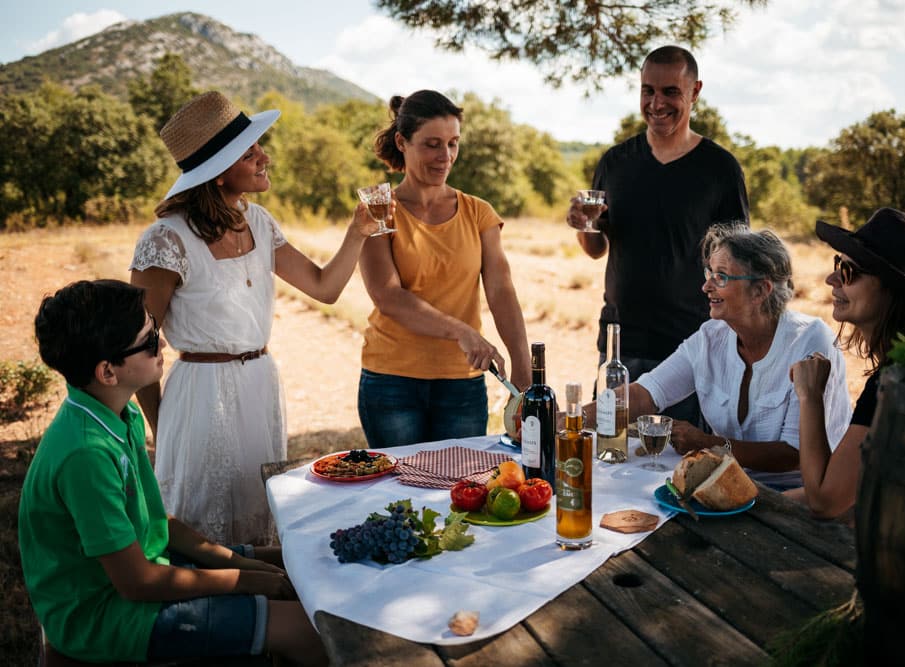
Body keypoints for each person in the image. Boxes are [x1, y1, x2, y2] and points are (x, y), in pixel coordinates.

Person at [19, 279, 325, 665]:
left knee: (296, 558)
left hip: (145, 573)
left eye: (155, 330)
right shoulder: (86, 454)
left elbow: (158, 524)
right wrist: (242, 580)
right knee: (306, 629)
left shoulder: (116, 411)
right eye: (148, 342)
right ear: (108, 372)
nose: (162, 345)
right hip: (102, 616)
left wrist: (241, 562)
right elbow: (137, 583)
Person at [130, 91, 380, 545]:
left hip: (260, 384)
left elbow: (324, 288)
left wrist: (357, 232)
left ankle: (264, 608)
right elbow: (137, 340)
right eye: (250, 153)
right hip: (199, 393)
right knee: (201, 516)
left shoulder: (260, 222)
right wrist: (163, 424)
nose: (265, 157)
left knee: (257, 512)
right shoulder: (166, 240)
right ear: (219, 172)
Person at [581, 225, 852, 490]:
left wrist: (708, 443)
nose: (706, 286)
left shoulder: (810, 341)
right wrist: (573, 419)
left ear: (760, 290)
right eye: (709, 272)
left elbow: (794, 454)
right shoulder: (711, 337)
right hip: (723, 486)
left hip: (796, 499)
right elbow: (646, 393)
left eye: (721, 276)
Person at [565, 45, 749, 425]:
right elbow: (597, 248)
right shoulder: (616, 163)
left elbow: (739, 263)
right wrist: (584, 225)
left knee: (682, 469)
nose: (656, 102)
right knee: (611, 458)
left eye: (670, 92)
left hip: (692, 347)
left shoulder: (720, 169)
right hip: (620, 343)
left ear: (695, 92)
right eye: (648, 90)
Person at [358, 90, 530, 448]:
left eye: (453, 143)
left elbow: (501, 292)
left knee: (459, 496)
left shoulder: (478, 212)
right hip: (391, 382)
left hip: (462, 386)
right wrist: (460, 331)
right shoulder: (378, 209)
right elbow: (388, 296)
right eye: (432, 144)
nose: (445, 156)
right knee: (397, 497)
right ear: (402, 142)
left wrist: (523, 369)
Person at [788, 208, 905, 519]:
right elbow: (856, 489)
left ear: (893, 290)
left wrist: (810, 397)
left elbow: (825, 500)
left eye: (849, 271)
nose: (832, 278)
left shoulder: (898, 379)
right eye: (838, 264)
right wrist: (760, 501)